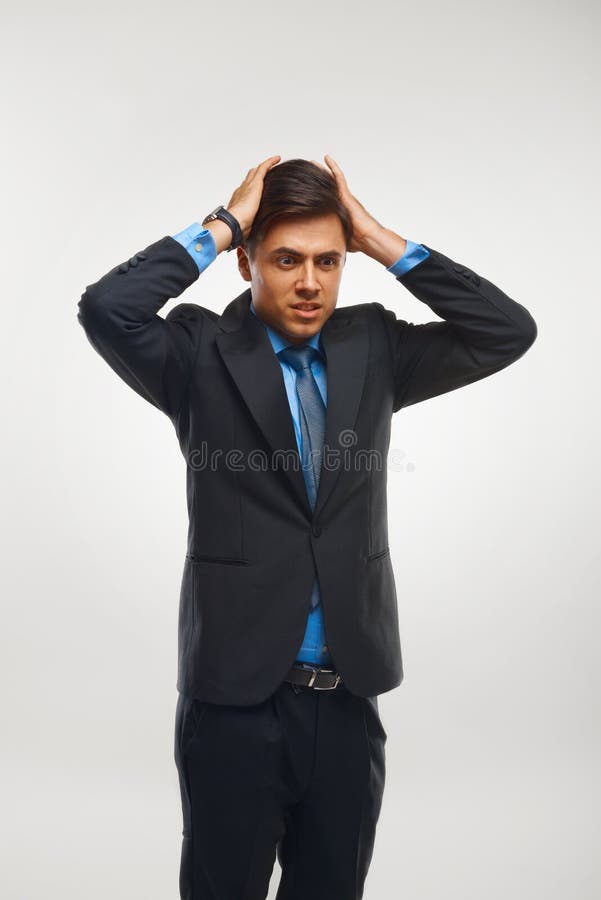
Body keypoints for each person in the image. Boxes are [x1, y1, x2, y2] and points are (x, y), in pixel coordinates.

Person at [77, 154, 537, 899]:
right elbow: (107, 309)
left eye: (329, 261)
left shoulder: (373, 347)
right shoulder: (195, 355)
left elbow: (505, 331)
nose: (310, 283)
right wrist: (222, 225)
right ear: (247, 265)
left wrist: (380, 239)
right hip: (234, 703)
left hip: (348, 700)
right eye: (287, 260)